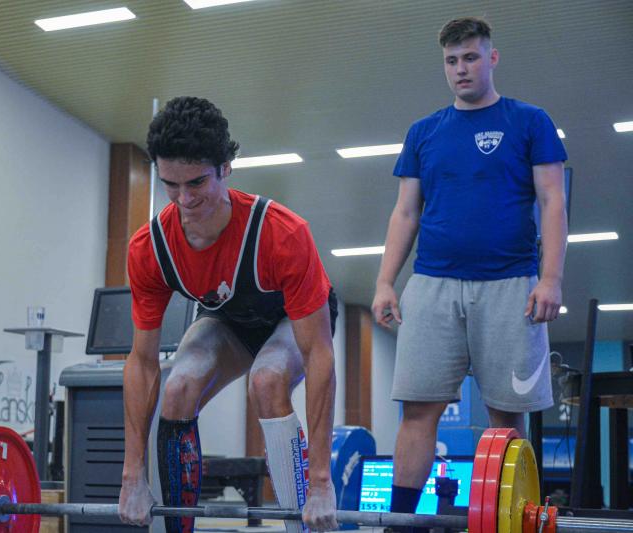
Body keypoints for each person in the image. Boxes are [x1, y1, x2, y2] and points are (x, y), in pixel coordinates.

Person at [371, 17, 567, 530]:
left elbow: (552, 201)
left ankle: (509, 522)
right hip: (432, 285)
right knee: (418, 411)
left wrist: (550, 278)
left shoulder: (530, 121)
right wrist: (386, 281)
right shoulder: (424, 132)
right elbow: (405, 213)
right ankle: (401, 524)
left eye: (471, 57)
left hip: (511, 284)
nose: (461, 68)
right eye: (452, 60)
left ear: (492, 58)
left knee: (507, 415)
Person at [118, 96, 339, 533]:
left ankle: (302, 525)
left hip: (291, 320)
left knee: (267, 379)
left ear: (225, 168)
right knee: (178, 387)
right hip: (228, 322)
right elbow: (142, 362)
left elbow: (319, 356)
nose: (184, 199)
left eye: (197, 183)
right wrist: (132, 477)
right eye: (170, 184)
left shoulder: (282, 233)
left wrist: (321, 482)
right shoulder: (150, 248)